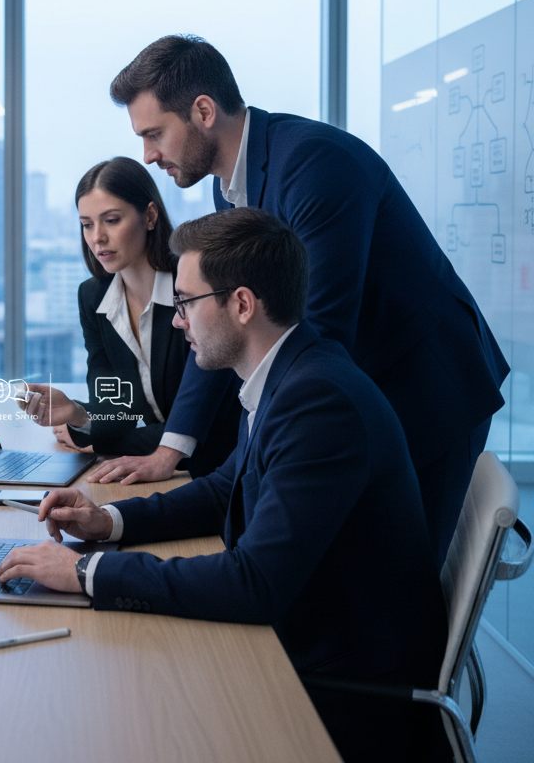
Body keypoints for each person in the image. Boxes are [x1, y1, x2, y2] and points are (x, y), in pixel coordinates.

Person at [0, 209, 450, 763]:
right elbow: (223, 489)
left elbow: (253, 582)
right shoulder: (289, 371)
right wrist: (109, 521)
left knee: (126, 715)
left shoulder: (316, 400)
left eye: (186, 303)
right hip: (308, 628)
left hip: (339, 680)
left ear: (240, 304)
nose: (177, 320)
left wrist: (85, 571)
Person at [86, 33, 508, 567]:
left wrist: (255, 453)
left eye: (155, 134)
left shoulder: (314, 164)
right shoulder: (228, 185)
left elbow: (312, 331)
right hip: (359, 378)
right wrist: (174, 446)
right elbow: (221, 320)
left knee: (397, 582)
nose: (148, 155)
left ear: (202, 111)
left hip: (424, 385)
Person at [19, 157, 240, 470]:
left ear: (149, 216)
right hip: (167, 475)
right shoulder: (93, 297)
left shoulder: (195, 286)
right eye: (87, 224)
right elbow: (118, 412)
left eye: (111, 220)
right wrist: (77, 415)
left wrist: (100, 441)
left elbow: (200, 427)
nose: (97, 237)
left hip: (222, 471)